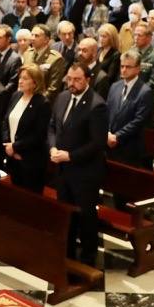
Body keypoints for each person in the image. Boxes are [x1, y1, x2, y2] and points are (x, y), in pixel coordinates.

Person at [49, 63, 108, 265]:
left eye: (77, 80)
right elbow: (52, 127)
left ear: (87, 80)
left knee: (86, 217)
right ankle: (67, 253)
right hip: (63, 170)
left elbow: (97, 143)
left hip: (85, 172)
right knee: (66, 214)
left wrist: (70, 156)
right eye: (70, 79)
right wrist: (52, 148)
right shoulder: (63, 97)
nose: (72, 83)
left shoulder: (96, 105)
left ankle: (88, 260)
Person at [3, 64, 51, 192]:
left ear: (35, 82)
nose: (20, 81)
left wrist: (15, 147)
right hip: (12, 157)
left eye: (25, 78)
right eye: (20, 77)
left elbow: (39, 135)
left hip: (31, 160)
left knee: (29, 199)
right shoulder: (16, 96)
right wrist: (8, 145)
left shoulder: (42, 103)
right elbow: (6, 121)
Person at [105, 50, 154, 170]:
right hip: (108, 143)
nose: (124, 70)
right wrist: (107, 134)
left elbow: (139, 121)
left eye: (128, 67)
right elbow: (106, 112)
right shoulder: (115, 86)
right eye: (122, 66)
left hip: (128, 146)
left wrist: (117, 137)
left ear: (138, 69)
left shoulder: (145, 91)